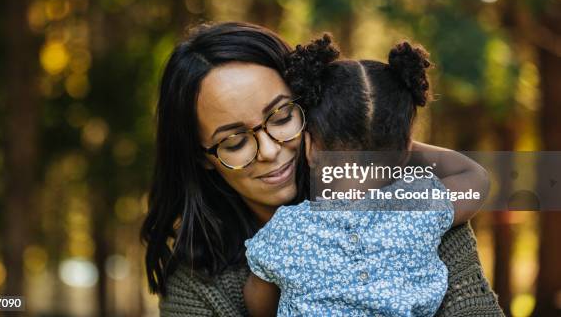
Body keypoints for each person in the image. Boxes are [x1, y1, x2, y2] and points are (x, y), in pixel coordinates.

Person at [140, 21, 504, 316]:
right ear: (201, 155)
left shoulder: (413, 208)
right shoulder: (197, 285)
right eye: (234, 142)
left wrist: (368, 142)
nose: (269, 151)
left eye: (281, 117)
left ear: (311, 106)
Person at [242, 37, 488, 316]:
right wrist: (395, 147)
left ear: (309, 147)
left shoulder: (286, 229)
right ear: (407, 149)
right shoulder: (418, 208)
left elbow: (257, 304)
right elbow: (475, 176)